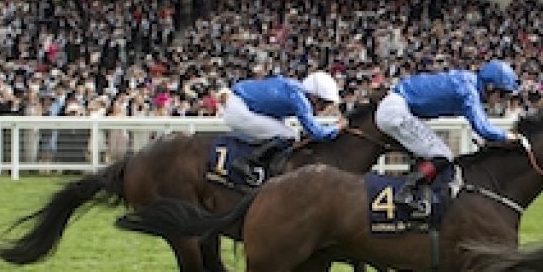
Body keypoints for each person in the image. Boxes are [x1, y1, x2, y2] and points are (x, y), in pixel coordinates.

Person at [376, 60, 520, 218]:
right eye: (502, 95)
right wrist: (507, 136)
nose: (503, 101)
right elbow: (483, 128)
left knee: (434, 153)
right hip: (396, 111)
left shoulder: (468, 83)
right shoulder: (468, 89)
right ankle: (406, 193)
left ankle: (418, 193)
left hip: (398, 107)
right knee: (443, 155)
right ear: (490, 87)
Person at [223, 71, 343, 172]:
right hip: (239, 109)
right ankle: (247, 161)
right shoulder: (300, 99)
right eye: (324, 103)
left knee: (290, 132)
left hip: (240, 102)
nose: (323, 109)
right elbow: (316, 133)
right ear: (315, 97)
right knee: (290, 135)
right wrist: (338, 126)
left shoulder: (295, 89)